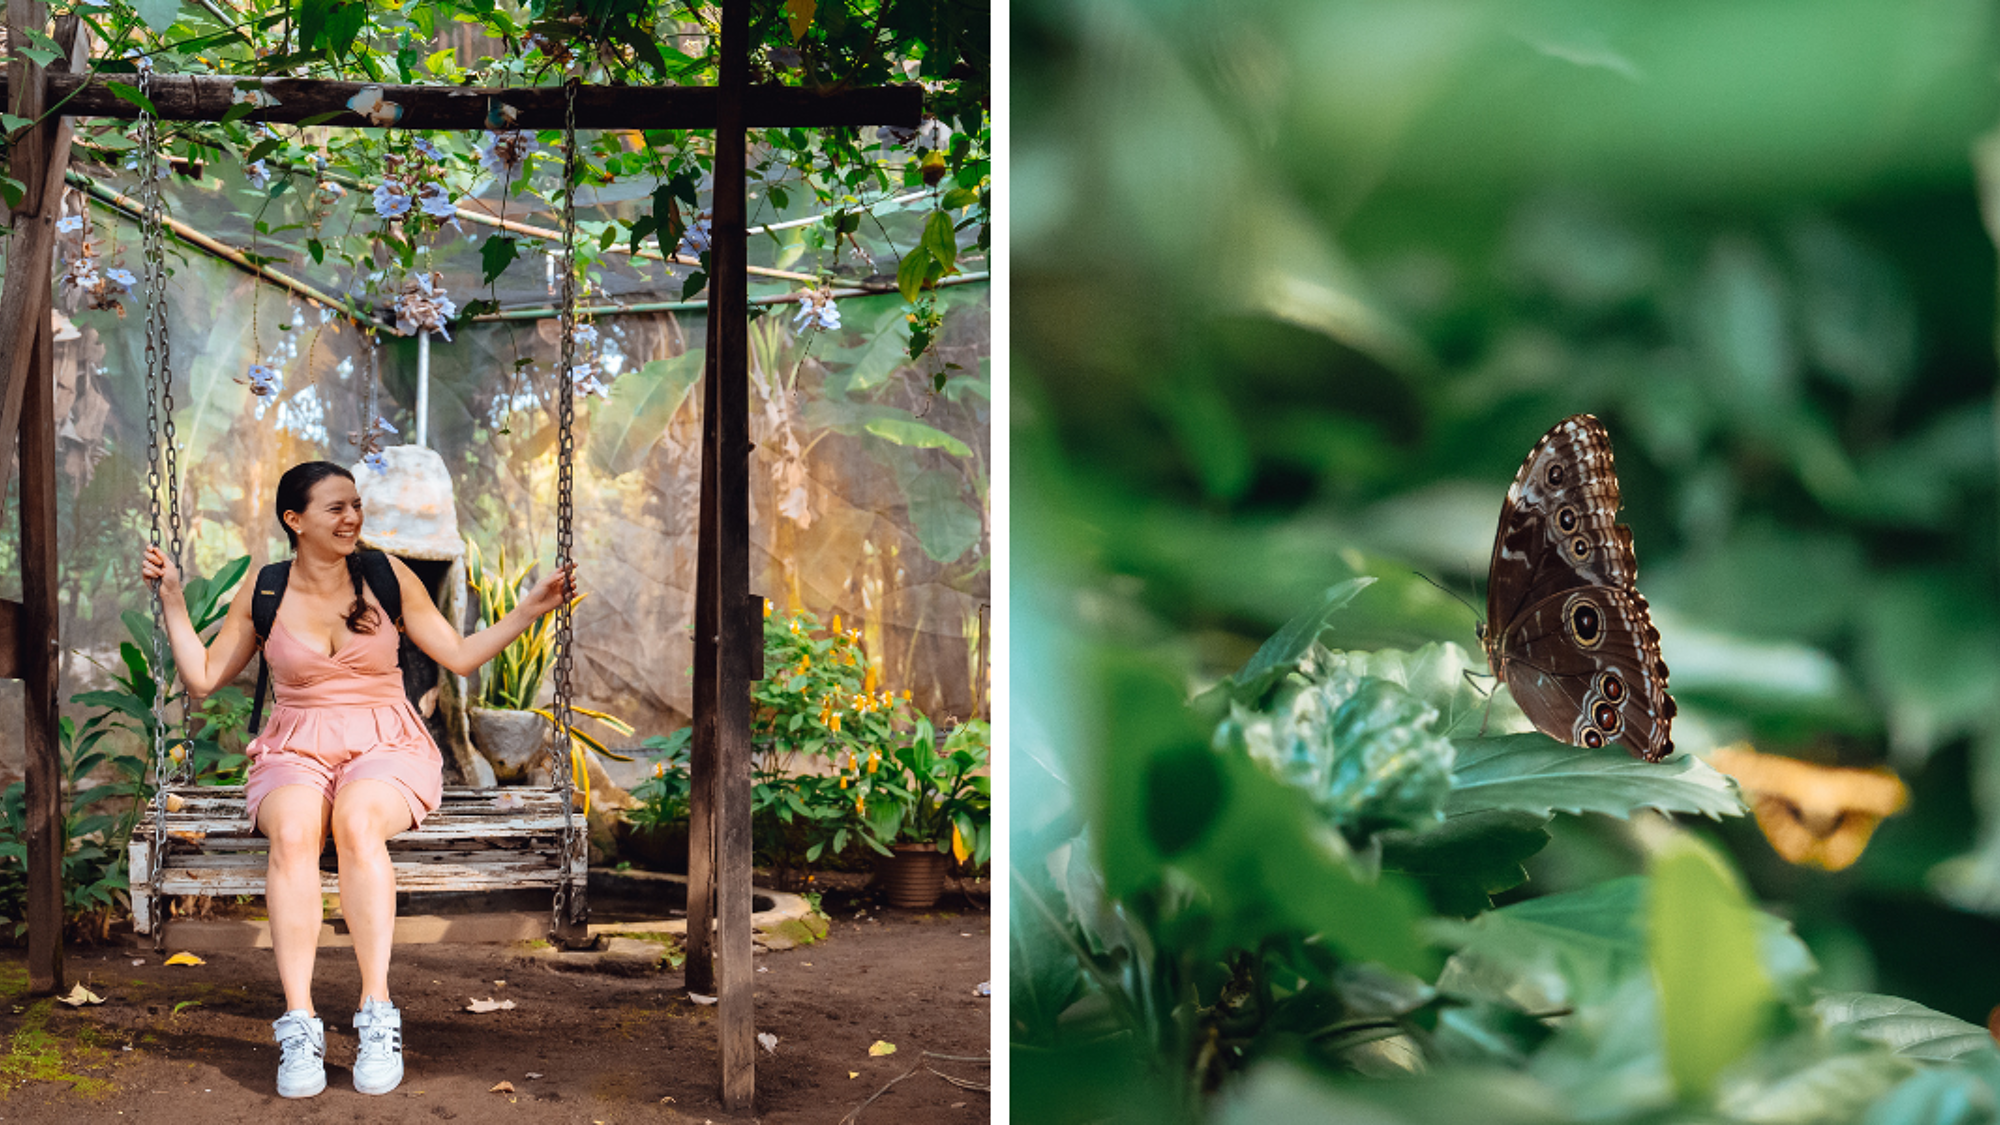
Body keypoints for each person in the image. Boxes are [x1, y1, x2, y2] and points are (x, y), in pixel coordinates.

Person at [140, 460, 576, 1099]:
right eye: (335, 508)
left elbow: (455, 654)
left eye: (356, 505)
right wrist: (174, 600)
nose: (353, 518)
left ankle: (376, 1013)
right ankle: (299, 1024)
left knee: (356, 820)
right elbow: (204, 677)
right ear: (296, 521)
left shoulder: (384, 576)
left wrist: (530, 609)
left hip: (387, 741)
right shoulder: (264, 590)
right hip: (295, 744)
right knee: (292, 833)